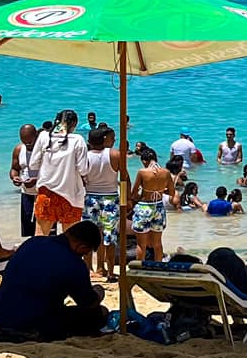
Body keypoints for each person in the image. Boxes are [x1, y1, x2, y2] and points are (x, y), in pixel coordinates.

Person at [0, 221, 107, 339]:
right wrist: (99, 292)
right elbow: (88, 303)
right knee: (99, 314)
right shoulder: (74, 263)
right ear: (81, 246)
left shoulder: (32, 242)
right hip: (25, 327)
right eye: (86, 252)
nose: (84, 256)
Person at [29, 111, 89, 234]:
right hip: (70, 195)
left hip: (46, 192)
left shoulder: (44, 136)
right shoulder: (78, 140)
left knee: (40, 236)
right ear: (74, 124)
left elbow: (33, 164)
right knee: (70, 239)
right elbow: (84, 170)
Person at [81, 125, 125, 280]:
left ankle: (88, 269)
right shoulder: (114, 154)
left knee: (89, 236)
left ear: (90, 141)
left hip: (90, 197)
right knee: (110, 237)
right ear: (104, 139)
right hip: (110, 198)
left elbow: (81, 179)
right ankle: (110, 272)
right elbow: (124, 179)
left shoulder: (85, 156)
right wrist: (126, 201)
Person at [128, 152, 174, 263]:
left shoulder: (142, 172)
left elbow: (133, 194)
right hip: (158, 207)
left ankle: (139, 270)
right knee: (157, 244)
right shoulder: (166, 172)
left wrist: (143, 194)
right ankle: (158, 269)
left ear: (144, 161)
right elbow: (172, 192)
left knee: (141, 244)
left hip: (144, 207)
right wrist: (160, 190)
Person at [10, 124, 39, 238]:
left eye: (30, 143)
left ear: (36, 136)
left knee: (46, 229)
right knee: (28, 229)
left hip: (44, 193)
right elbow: (14, 169)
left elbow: (54, 173)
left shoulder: (45, 150)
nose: (27, 145)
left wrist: (36, 180)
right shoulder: (18, 149)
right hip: (27, 193)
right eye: (24, 142)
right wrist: (14, 178)